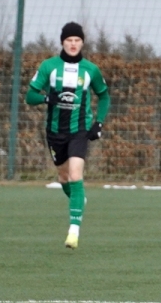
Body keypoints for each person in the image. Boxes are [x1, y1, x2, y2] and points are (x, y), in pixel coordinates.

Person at [25, 22, 110, 249]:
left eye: (77, 40)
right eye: (69, 40)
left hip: (80, 131)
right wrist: (46, 98)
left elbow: (104, 96)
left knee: (75, 174)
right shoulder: (49, 66)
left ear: (82, 43)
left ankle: (74, 231)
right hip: (55, 132)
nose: (73, 44)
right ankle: (78, 200)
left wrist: (98, 123)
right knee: (63, 177)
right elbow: (30, 96)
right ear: (62, 42)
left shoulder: (90, 69)